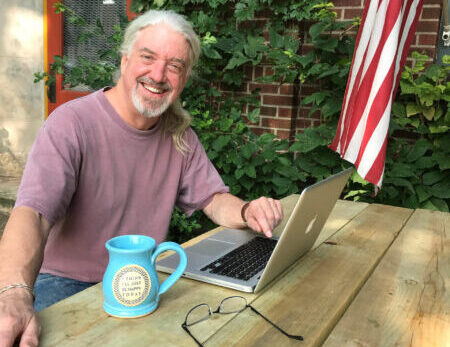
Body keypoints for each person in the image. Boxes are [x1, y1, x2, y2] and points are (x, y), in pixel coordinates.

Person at [0, 10, 283, 347]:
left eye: (175, 66)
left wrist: (247, 211)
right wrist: (15, 292)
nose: (159, 74)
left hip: (142, 285)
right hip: (66, 283)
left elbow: (212, 198)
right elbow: (33, 212)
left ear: (184, 79)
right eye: (147, 57)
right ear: (124, 61)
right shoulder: (71, 124)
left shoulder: (180, 136)